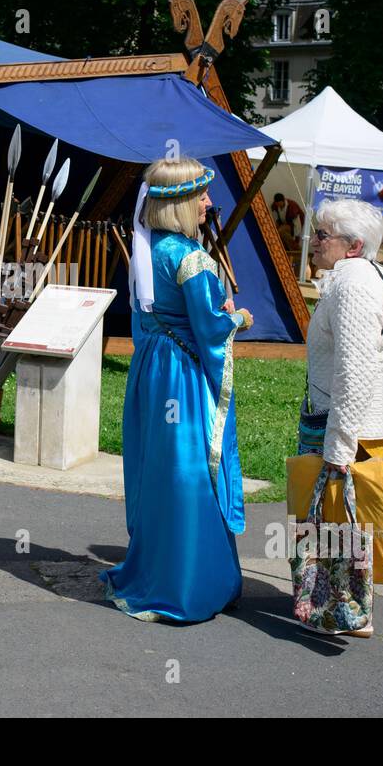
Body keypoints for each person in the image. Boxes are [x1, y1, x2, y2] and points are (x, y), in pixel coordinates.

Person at [101, 157, 253, 623]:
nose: (209, 202)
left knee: (160, 469)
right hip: (184, 377)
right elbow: (211, 328)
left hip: (152, 371)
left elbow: (148, 319)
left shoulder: (147, 251)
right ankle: (191, 585)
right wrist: (240, 318)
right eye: (202, 194)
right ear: (181, 202)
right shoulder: (191, 258)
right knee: (193, 472)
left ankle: (161, 571)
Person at [301, 198, 383, 635]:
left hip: (357, 427)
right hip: (355, 422)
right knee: (344, 521)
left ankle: (350, 612)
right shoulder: (356, 276)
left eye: (323, 235)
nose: (313, 241)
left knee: (348, 519)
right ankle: (339, 606)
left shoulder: (354, 285)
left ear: (353, 245)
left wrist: (339, 445)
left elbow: (355, 370)